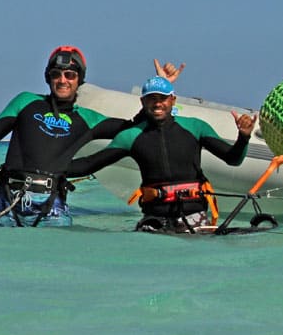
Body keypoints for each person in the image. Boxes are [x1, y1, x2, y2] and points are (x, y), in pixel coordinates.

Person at [0, 48, 181, 227]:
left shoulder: (87, 118)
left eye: (70, 75)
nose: (63, 80)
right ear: (48, 78)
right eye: (56, 74)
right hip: (7, 204)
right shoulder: (26, 102)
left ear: (79, 80)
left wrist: (161, 87)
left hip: (52, 210)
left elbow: (135, 126)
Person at [63, 76, 256, 232]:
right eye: (152, 99)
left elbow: (233, 159)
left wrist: (244, 137)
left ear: (173, 100)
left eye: (162, 98)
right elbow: (89, 164)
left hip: (194, 216)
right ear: (143, 101)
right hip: (154, 219)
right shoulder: (131, 136)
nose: (157, 104)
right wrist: (51, 169)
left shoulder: (195, 128)